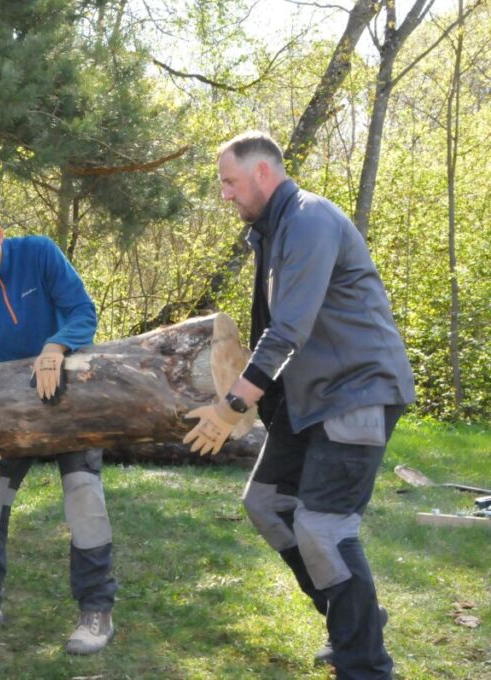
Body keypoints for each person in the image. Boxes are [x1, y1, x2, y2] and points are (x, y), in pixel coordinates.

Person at [183, 131, 415, 679]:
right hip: (308, 399)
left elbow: (289, 329)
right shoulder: (273, 230)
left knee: (322, 527)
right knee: (267, 504)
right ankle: (353, 619)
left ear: (264, 173)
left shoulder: (308, 219)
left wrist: (232, 405)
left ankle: (364, 664)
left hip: (356, 392)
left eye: (230, 182)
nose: (225, 194)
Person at [0, 205, 118, 655]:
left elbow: (83, 312)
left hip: (70, 399)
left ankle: (96, 610)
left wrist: (56, 346)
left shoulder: (40, 254)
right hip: (9, 408)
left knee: (84, 497)